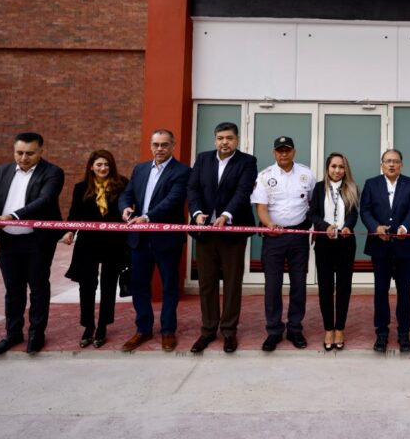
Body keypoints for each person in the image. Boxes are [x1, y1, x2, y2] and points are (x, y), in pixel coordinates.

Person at [0, 132, 65, 355]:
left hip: (38, 240)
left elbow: (44, 200)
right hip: (8, 240)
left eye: (30, 153)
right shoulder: (2, 170)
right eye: (19, 152)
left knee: (38, 288)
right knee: (13, 289)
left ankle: (36, 334)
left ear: (41, 151)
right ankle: (13, 333)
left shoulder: (53, 172)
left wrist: (13, 216)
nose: (24, 158)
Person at [186, 122, 257, 354]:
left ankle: (229, 331)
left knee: (232, 283)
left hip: (232, 232)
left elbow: (243, 192)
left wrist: (226, 215)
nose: (224, 142)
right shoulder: (203, 159)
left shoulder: (247, 162)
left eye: (229, 138)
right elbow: (193, 188)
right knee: (206, 283)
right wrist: (196, 213)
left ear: (237, 140)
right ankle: (208, 330)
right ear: (215, 140)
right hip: (205, 232)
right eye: (220, 138)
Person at [118, 129, 191, 353]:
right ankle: (143, 329)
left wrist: (147, 217)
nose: (159, 149)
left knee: (170, 286)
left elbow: (173, 200)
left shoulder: (182, 171)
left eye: (164, 145)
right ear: (151, 146)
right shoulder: (140, 169)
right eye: (156, 144)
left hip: (166, 239)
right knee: (139, 285)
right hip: (139, 239)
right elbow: (127, 194)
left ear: (173, 146)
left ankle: (168, 330)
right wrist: (125, 208)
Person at [251, 136, 315, 352]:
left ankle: (295, 328)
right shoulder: (265, 176)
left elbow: (312, 203)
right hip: (273, 238)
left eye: (287, 150)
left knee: (299, 284)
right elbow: (261, 208)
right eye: (280, 150)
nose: (284, 153)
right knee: (272, 285)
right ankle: (274, 330)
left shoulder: (306, 174)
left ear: (294, 152)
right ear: (274, 153)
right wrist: (269, 225)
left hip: (298, 236)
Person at [61, 150, 129, 349]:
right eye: (99, 164)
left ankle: (102, 326)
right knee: (87, 284)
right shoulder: (81, 188)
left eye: (106, 164)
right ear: (91, 167)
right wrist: (69, 231)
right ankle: (88, 325)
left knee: (109, 284)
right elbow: (74, 214)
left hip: (114, 242)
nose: (103, 168)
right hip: (88, 242)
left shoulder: (122, 184)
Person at [361, 148, 410, 353]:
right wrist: (375, 228)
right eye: (388, 161)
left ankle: (404, 332)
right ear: (382, 164)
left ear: (401, 164)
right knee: (381, 291)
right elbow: (365, 210)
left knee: (405, 291)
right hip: (379, 246)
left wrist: (405, 227)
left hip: (405, 246)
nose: (392, 164)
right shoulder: (371, 184)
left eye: (395, 161)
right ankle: (382, 332)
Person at [308, 152, 359, 351]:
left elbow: (354, 214)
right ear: (327, 168)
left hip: (346, 243)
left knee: (344, 288)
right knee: (326, 287)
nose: (337, 170)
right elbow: (312, 214)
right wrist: (325, 226)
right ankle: (328, 328)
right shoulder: (319, 188)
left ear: (346, 169)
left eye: (341, 167)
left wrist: (348, 226)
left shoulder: (352, 188)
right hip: (324, 243)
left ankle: (340, 329)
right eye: (333, 166)